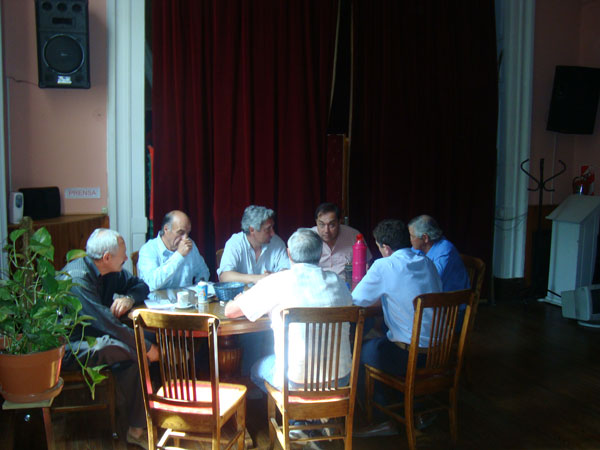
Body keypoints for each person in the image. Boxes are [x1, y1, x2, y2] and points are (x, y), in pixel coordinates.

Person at [60, 228, 158, 449]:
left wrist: (129, 298)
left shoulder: (111, 272)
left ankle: (138, 427)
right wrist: (145, 347)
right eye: (122, 254)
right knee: (118, 346)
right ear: (106, 257)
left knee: (134, 349)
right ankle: (139, 423)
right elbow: (106, 324)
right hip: (70, 346)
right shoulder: (77, 279)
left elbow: (141, 286)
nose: (126, 258)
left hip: (97, 335)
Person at [224, 228, 352, 393]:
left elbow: (230, 312)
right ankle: (316, 408)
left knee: (256, 370)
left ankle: (292, 408)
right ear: (320, 254)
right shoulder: (338, 282)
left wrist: (238, 300)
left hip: (295, 383)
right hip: (340, 380)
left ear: (289, 254)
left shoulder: (276, 281)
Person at [351, 219, 442, 435]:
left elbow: (355, 301)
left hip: (408, 357)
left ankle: (381, 419)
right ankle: (416, 408)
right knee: (383, 340)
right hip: (438, 353)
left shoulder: (385, 266)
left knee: (357, 353)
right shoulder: (427, 262)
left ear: (386, 248)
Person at [137, 210, 210, 291]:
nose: (185, 238)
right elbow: (151, 284)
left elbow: (203, 271)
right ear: (166, 229)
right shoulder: (148, 249)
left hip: (186, 297)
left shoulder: (190, 245)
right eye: (180, 233)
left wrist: (199, 288)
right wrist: (179, 255)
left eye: (187, 233)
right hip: (156, 298)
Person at [218, 205, 290, 284]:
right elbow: (224, 276)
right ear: (252, 230)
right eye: (268, 229)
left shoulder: (277, 242)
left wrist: (273, 276)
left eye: (272, 227)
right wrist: (258, 278)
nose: (273, 233)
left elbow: (288, 271)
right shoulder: (235, 242)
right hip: (243, 292)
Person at [407, 215, 470, 292]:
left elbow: (432, 280)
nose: (410, 239)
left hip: (451, 297)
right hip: (432, 294)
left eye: (412, 236)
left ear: (425, 238)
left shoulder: (445, 250)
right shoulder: (418, 247)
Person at [311, 202, 372, 276]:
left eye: (332, 225)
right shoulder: (307, 239)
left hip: (347, 281)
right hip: (317, 281)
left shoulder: (354, 235)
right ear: (316, 222)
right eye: (321, 224)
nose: (326, 230)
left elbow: (367, 263)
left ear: (339, 222)